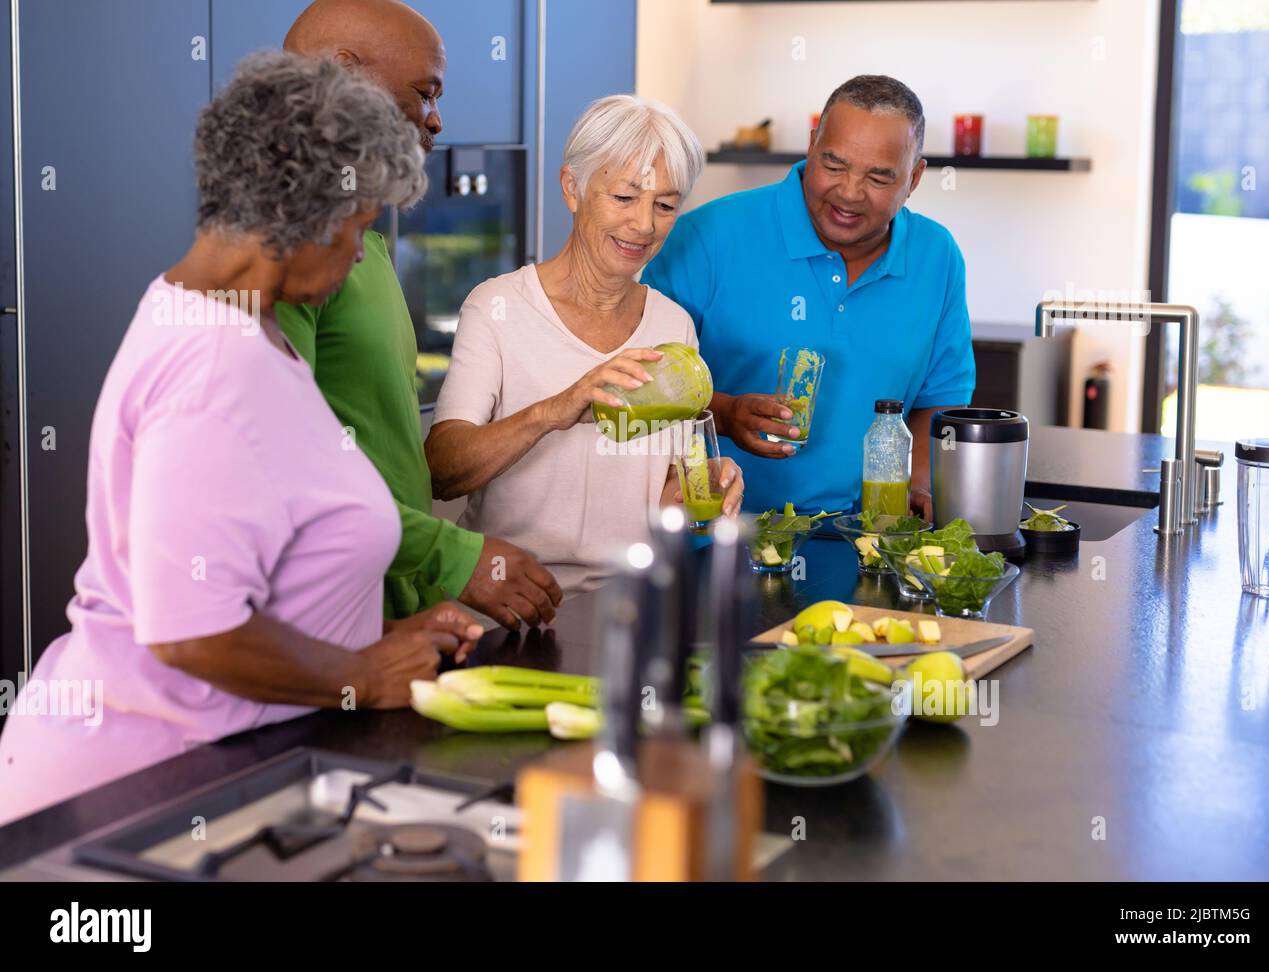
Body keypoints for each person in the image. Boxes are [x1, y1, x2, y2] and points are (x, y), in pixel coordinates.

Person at [0, 53, 482, 825]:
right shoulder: (213, 366)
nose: (362, 252)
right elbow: (190, 632)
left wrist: (374, 632)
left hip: (216, 768)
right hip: (145, 789)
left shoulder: (229, 322)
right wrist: (363, 671)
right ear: (309, 219)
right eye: (358, 228)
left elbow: (249, 572)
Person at [280, 0, 563, 630]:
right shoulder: (292, 251)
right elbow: (284, 472)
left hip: (387, 610)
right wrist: (454, 555)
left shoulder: (362, 241)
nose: (436, 121)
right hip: (321, 622)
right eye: (423, 93)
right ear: (340, 74)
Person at [425, 95, 743, 593]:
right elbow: (442, 472)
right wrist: (559, 408)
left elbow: (666, 494)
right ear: (573, 188)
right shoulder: (497, 307)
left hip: (629, 596)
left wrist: (704, 484)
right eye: (623, 198)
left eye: (665, 205)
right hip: (509, 598)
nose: (644, 224)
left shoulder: (673, 324)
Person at [643, 75, 976, 519]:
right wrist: (726, 414)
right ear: (812, 145)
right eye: (834, 166)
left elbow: (941, 399)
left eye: (879, 177)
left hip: (870, 538)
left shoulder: (938, 256)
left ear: (914, 177)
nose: (849, 193)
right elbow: (645, 385)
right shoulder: (706, 237)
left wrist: (916, 485)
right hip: (721, 531)